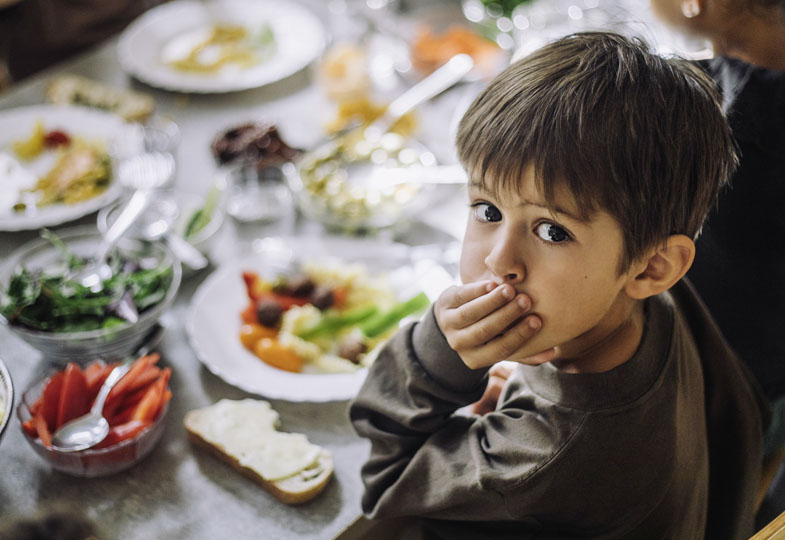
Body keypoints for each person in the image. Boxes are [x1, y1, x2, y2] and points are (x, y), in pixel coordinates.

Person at [349, 32, 768, 540]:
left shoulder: (546, 452)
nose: (498, 259)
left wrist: (438, 354)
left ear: (652, 267)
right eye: (488, 210)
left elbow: (386, 484)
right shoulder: (653, 296)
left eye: (553, 230)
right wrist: (524, 385)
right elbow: (744, 415)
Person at [647, 0, 785, 521]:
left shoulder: (756, 120)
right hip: (743, 367)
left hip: (737, 380)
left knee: (705, 500)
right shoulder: (744, 73)